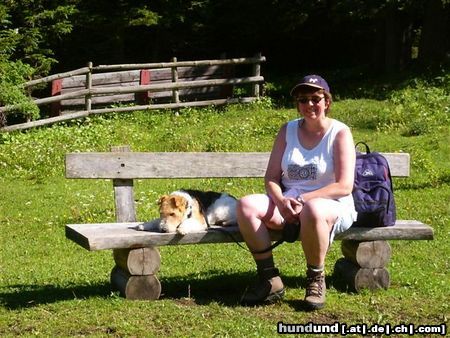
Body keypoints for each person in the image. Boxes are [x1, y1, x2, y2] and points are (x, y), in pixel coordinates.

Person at [237, 75, 357, 310]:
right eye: (303, 100)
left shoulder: (340, 133)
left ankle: (315, 279)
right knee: (246, 205)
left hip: (331, 204)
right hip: (289, 203)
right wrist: (282, 201)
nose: (309, 105)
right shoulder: (287, 131)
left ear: (327, 102)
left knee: (312, 209)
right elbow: (271, 177)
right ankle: (269, 279)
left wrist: (304, 199)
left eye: (315, 98)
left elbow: (344, 185)